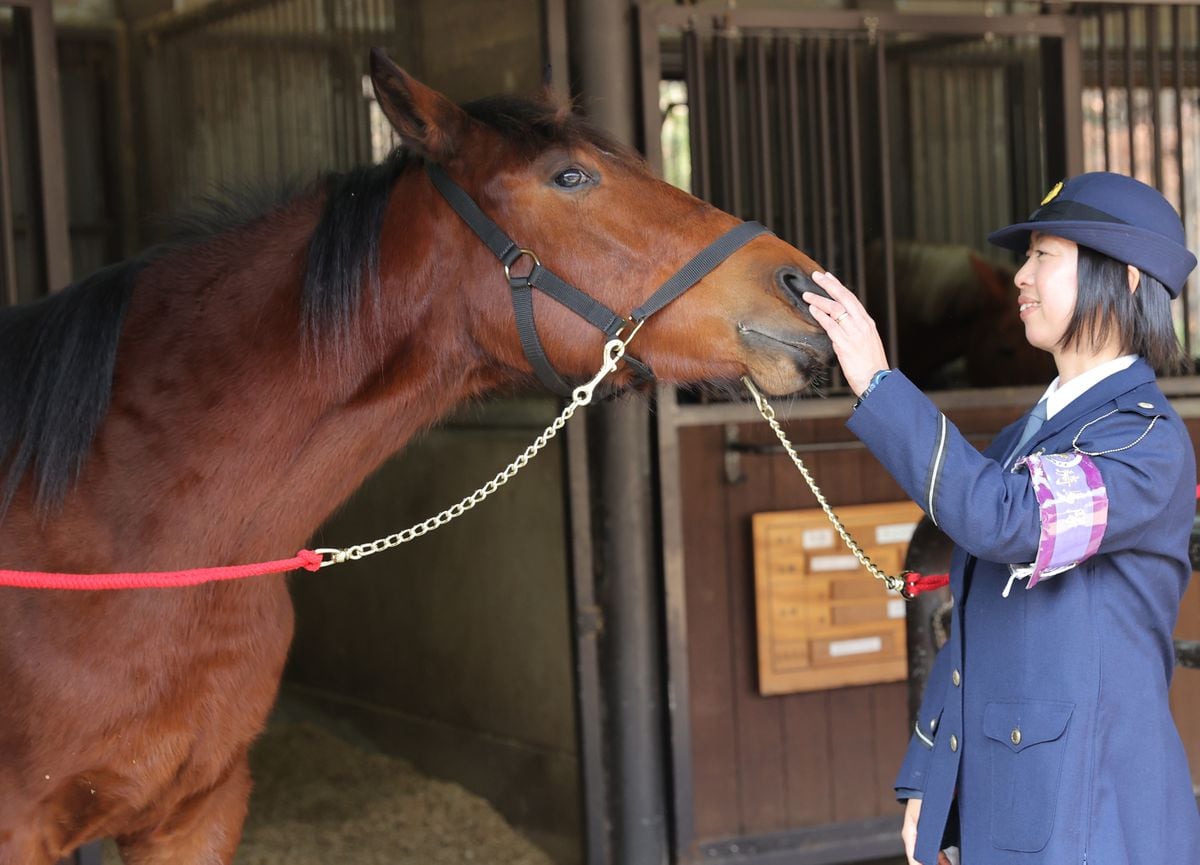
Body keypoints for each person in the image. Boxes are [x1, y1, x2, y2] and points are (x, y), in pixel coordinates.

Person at [801, 171, 1200, 865]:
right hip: (1013, 803)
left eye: (1045, 256)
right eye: (1028, 256)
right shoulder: (1024, 437)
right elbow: (972, 627)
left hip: (1098, 812)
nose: (1021, 276)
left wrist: (877, 383)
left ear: (1127, 280)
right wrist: (934, 781)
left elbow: (1010, 521)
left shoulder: (1144, 440)